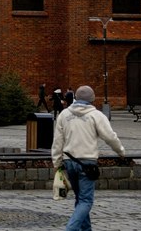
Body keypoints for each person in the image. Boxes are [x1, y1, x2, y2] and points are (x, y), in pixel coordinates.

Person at [51, 85, 127, 231]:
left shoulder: (64, 115)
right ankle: (71, 228)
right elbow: (110, 137)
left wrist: (57, 162)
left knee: (80, 199)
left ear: (76, 98)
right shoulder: (96, 115)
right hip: (87, 163)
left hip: (69, 161)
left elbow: (57, 141)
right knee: (86, 201)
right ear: (92, 99)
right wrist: (121, 151)